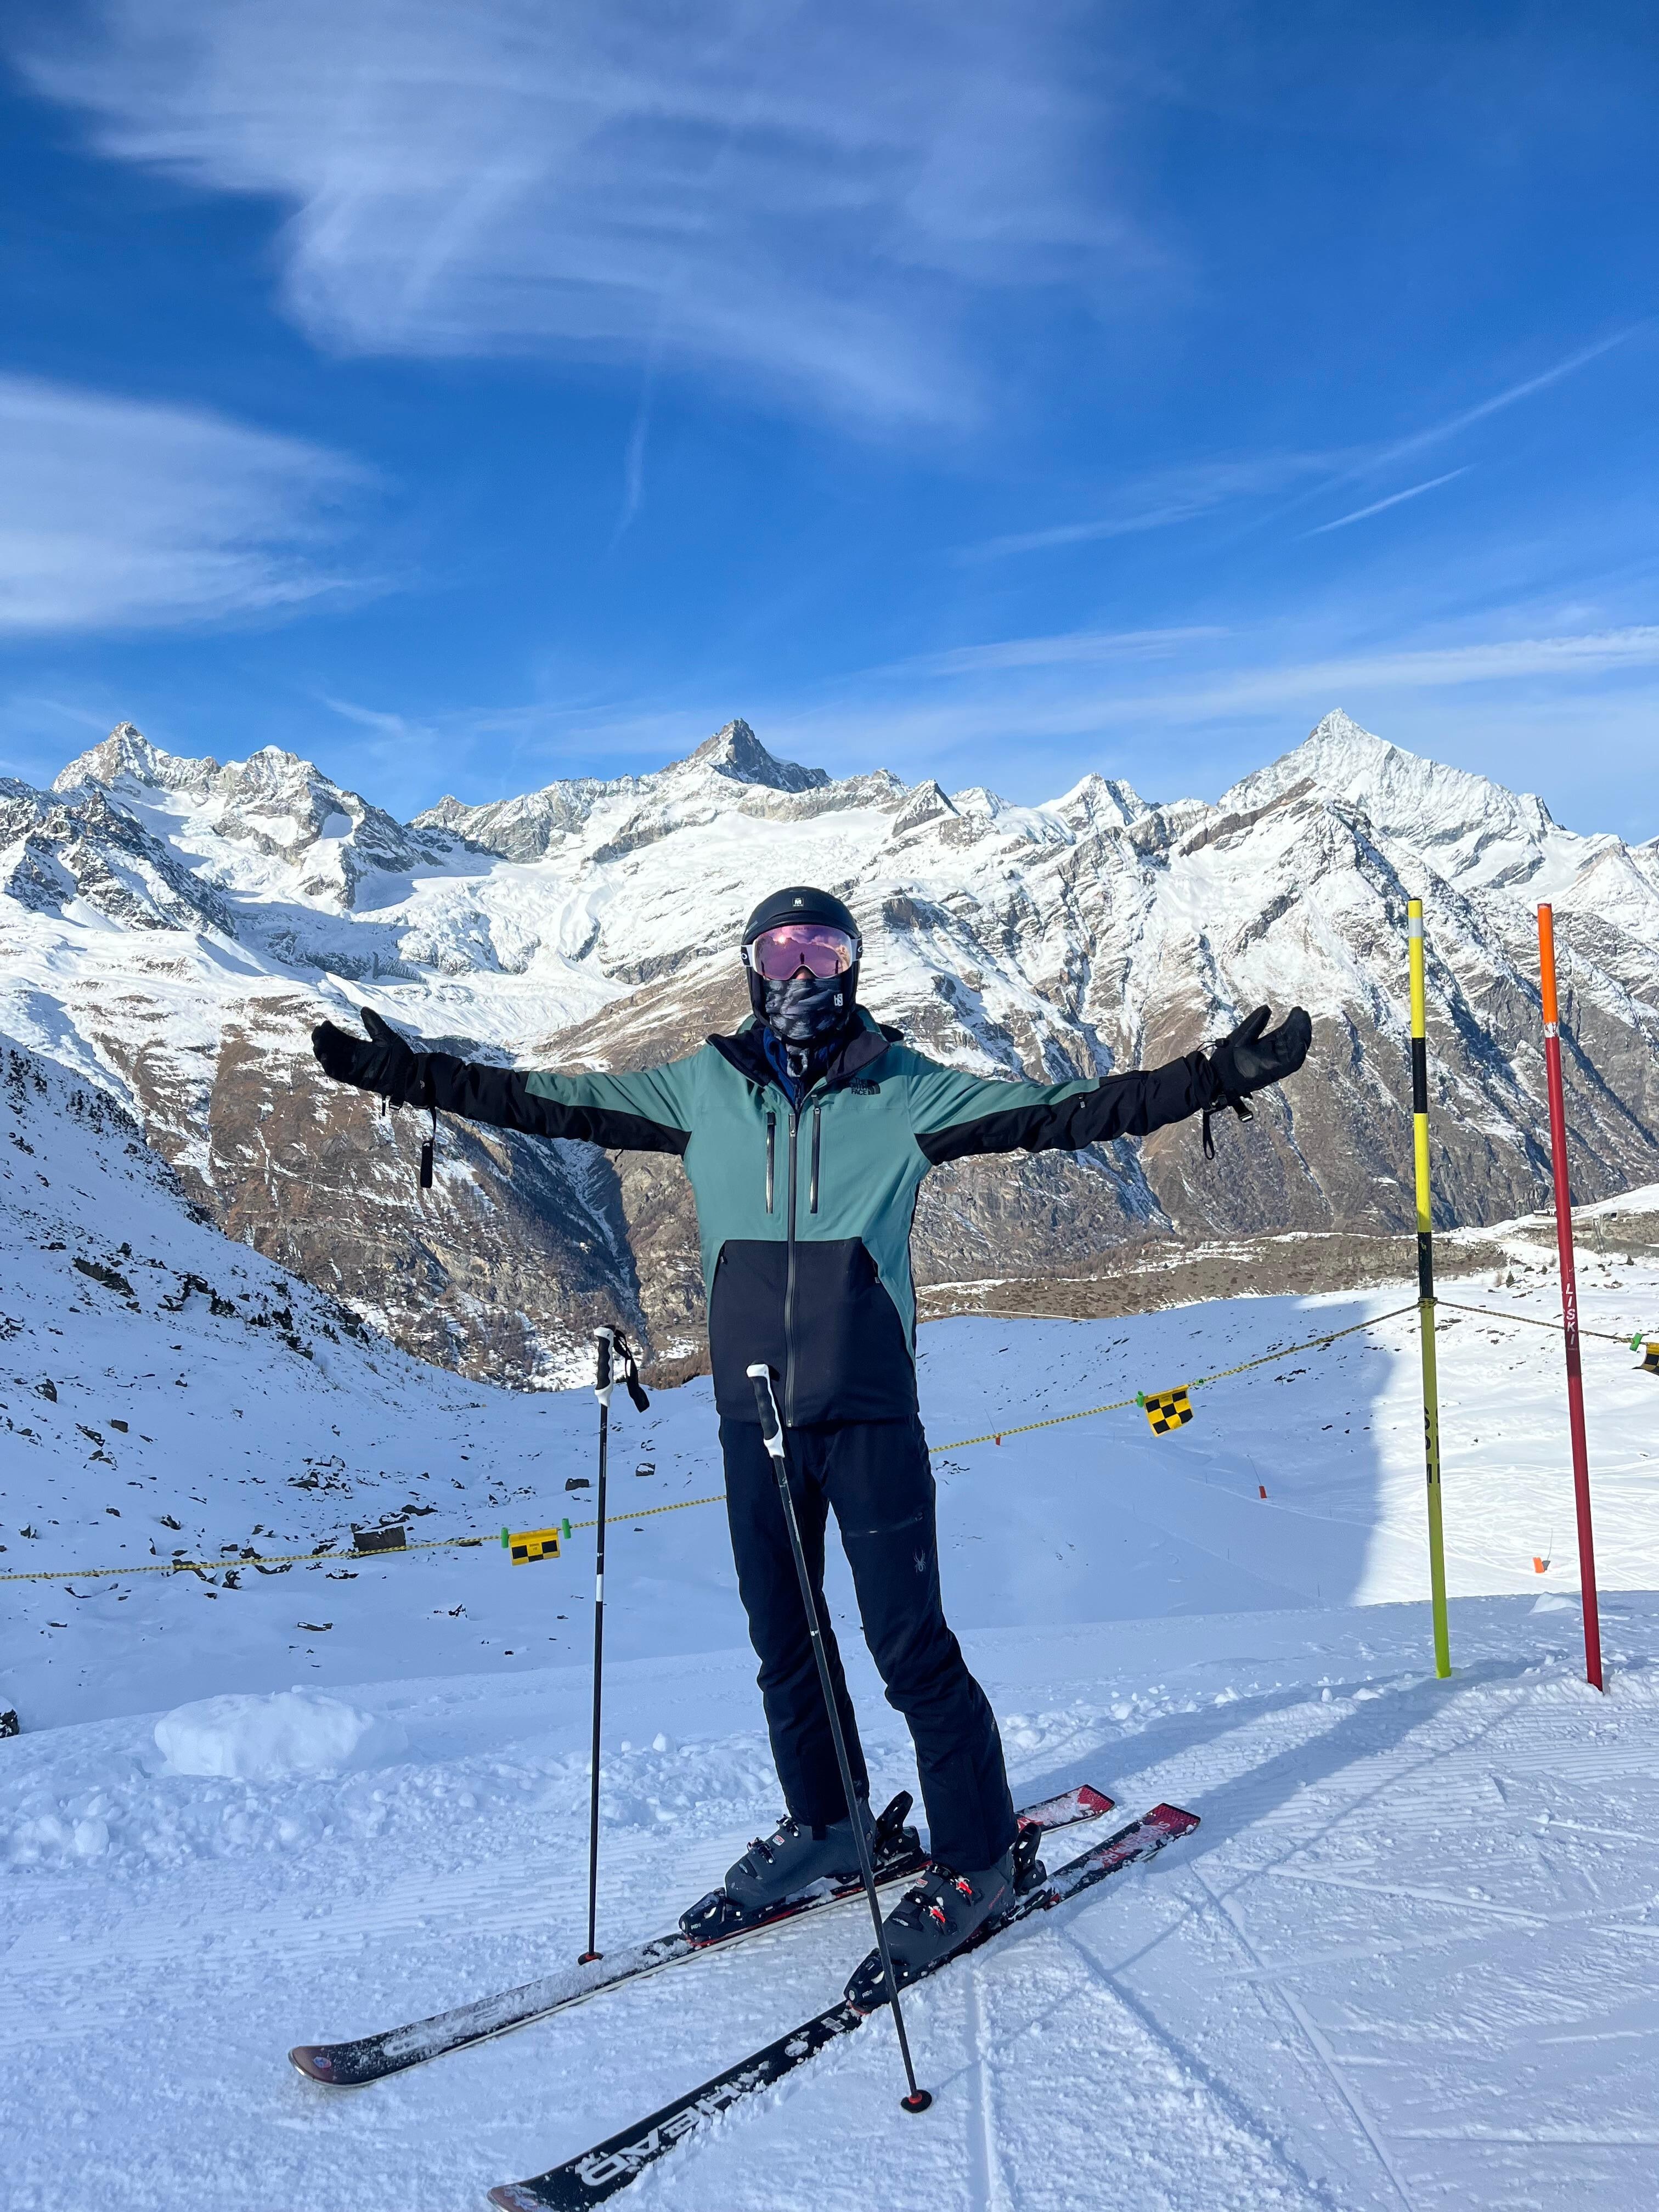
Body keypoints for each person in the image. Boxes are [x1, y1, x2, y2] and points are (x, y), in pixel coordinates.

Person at [312, 884, 1310, 1988]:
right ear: (749, 968)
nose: (799, 974)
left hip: (870, 1412)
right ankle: (830, 1823)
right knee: (783, 1638)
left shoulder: (906, 1093)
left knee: (908, 1646)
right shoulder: (702, 1089)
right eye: (778, 951)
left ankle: (980, 1860)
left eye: (821, 951)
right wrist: (415, 1079)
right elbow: (552, 1100)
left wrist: (1211, 1079)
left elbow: (1062, 1109)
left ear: (853, 968)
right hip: (755, 1416)